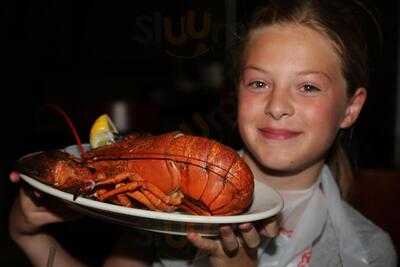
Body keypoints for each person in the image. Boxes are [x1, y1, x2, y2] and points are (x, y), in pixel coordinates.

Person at [8, 0, 397, 266]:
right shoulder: (160, 210)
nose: (278, 106)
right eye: (258, 84)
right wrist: (30, 238)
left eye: (308, 87)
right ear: (236, 92)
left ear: (351, 107)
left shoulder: (368, 253)